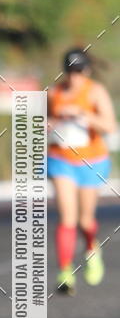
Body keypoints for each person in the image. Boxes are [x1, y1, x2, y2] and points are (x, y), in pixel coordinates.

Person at [47, 48, 116, 294]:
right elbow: (42, 124)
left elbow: (110, 125)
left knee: (85, 220)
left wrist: (84, 115)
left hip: (91, 161)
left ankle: (91, 247)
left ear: (85, 71)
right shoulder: (54, 93)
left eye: (78, 72)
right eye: (69, 72)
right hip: (60, 159)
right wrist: (49, 124)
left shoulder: (95, 92)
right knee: (67, 217)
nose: (73, 77)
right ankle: (65, 272)